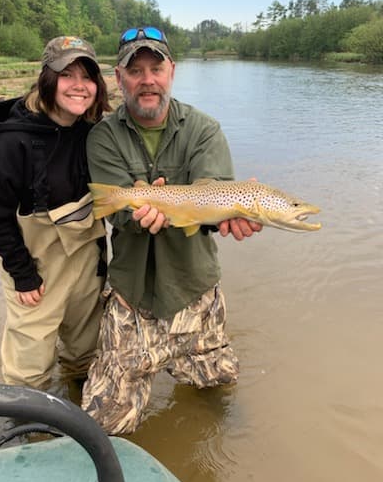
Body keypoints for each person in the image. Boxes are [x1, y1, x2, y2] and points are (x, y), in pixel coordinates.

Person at [80, 26, 262, 434]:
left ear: (172, 72)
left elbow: (214, 197)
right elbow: (117, 212)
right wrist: (136, 210)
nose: (148, 80)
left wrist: (230, 215)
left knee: (217, 396)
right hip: (132, 292)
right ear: (119, 78)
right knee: (102, 427)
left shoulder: (204, 130)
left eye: (156, 68)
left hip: (193, 286)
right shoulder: (102, 137)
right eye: (136, 70)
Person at [0, 36, 111, 393]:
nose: (79, 86)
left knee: (85, 354)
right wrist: (21, 273)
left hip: (86, 264)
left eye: (88, 76)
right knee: (29, 369)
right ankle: (24, 427)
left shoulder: (94, 134)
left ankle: (78, 406)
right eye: (67, 75)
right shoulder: (8, 146)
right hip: (35, 271)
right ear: (47, 80)